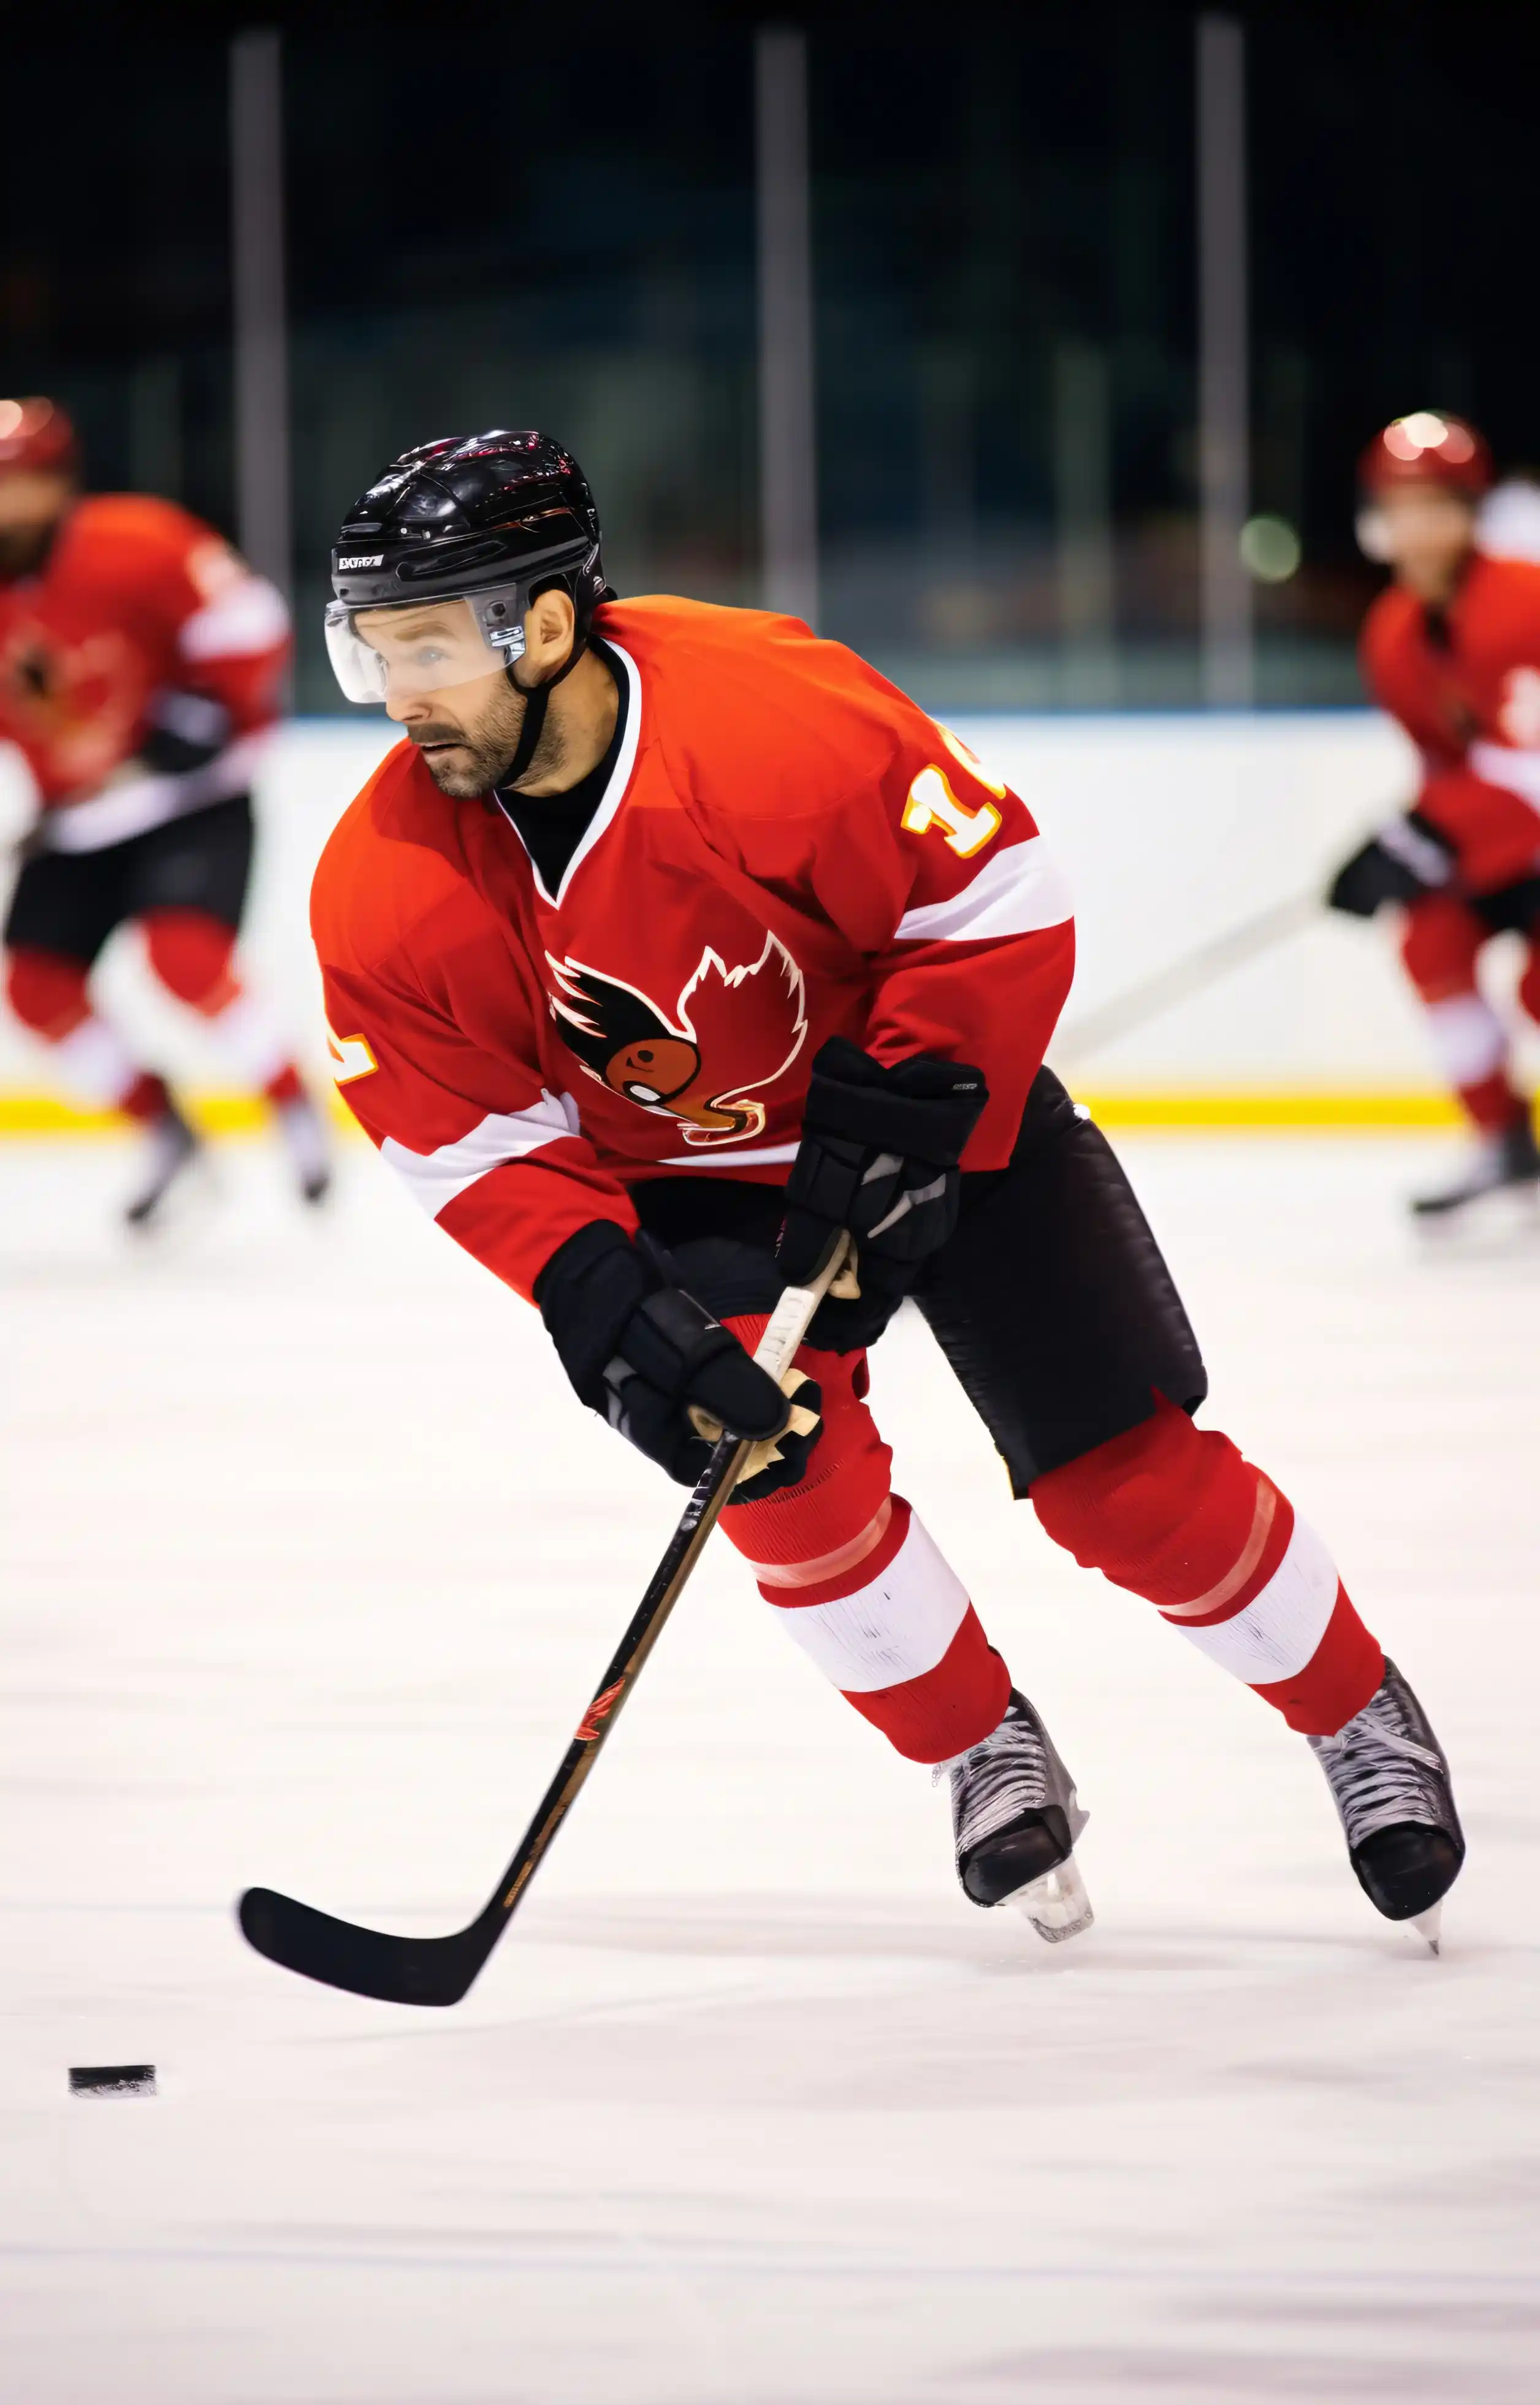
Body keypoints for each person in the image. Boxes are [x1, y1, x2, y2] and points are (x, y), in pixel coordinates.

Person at [311, 429, 1465, 1945]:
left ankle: (1354, 1713)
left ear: (542, 623)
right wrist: (595, 1291)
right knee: (773, 1474)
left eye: (426, 646)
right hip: (696, 1189)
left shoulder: (766, 714)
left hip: (931, 1117)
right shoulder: (385, 878)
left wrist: (925, 1106)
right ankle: (979, 1743)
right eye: (368, 650)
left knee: (1127, 1489)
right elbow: (466, 1136)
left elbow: (996, 893)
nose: (396, 695)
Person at [0, 396, 330, 1224]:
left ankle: (291, 1105)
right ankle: (166, 1130)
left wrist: (216, 713)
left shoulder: (136, 541)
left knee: (184, 957)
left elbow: (248, 623)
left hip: (192, 796)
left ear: (59, 484)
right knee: (38, 990)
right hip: (80, 814)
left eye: (21, 484)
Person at [1330, 410, 1540, 1217]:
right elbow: (1448, 765)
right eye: (1401, 506)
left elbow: (1525, 767)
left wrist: (1428, 832)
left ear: (1472, 510)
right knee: (1430, 938)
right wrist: (1412, 838)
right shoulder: (1391, 635)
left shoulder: (1523, 601)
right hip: (1504, 842)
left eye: (1438, 504)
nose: (1418, 527)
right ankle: (1503, 1139)